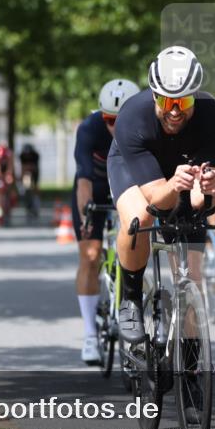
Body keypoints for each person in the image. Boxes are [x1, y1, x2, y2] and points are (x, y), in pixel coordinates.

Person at [107, 46, 215, 344]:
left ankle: (190, 371)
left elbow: (201, 205)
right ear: (153, 96)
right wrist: (174, 186)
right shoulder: (132, 118)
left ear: (195, 98)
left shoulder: (213, 120)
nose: (174, 111)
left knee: (191, 281)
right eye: (166, 100)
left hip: (181, 176)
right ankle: (131, 298)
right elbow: (154, 201)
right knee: (139, 218)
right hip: (137, 171)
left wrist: (211, 192)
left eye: (183, 101)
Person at [72, 78, 140, 364]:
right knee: (90, 256)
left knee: (139, 251)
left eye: (120, 119)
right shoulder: (89, 130)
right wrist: (87, 214)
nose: (114, 126)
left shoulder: (143, 127)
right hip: (96, 189)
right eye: (108, 119)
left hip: (130, 187)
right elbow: (84, 179)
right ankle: (90, 335)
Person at [0, 142, 15, 226]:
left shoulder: (9, 155)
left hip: (6, 172)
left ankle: (8, 209)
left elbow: (10, 166)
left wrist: (9, 175)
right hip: (0, 173)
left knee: (8, 190)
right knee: (0, 193)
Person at [19, 143, 40, 219]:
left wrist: (36, 183)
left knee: (35, 190)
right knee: (26, 189)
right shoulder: (22, 156)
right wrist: (22, 177)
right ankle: (28, 207)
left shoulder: (35, 155)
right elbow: (22, 167)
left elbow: (36, 168)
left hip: (34, 173)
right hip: (26, 173)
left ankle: (36, 207)